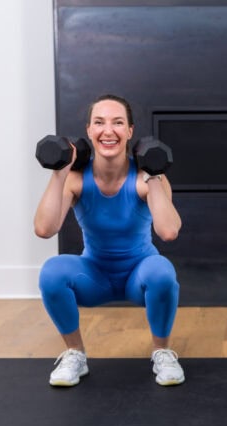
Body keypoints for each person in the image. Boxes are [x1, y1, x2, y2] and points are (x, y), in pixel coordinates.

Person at [34, 94, 185, 387]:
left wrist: (153, 177)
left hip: (139, 275)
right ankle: (74, 353)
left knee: (162, 270)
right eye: (99, 123)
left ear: (130, 131)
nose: (108, 131)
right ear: (89, 131)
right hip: (95, 276)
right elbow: (44, 228)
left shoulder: (147, 176)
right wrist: (59, 174)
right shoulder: (76, 179)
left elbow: (169, 232)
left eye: (118, 123)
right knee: (52, 271)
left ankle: (161, 352)